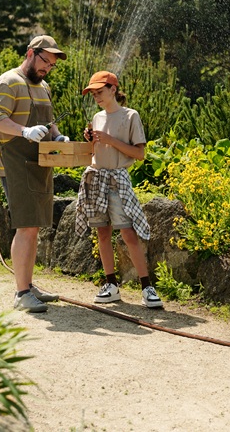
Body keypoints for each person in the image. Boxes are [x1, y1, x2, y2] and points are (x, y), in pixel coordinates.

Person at [0, 35, 70, 313]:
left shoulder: (43, 87)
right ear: (31, 53)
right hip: (15, 165)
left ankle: (29, 285)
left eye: (52, 65)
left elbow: (49, 122)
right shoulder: (8, 82)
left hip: (39, 163)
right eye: (46, 61)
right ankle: (21, 293)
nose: (48, 69)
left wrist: (58, 137)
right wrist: (23, 131)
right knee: (26, 226)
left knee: (34, 226)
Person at [74, 70, 162, 308]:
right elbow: (97, 152)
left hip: (117, 181)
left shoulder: (130, 116)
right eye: (93, 94)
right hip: (96, 178)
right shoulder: (97, 117)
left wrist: (109, 139)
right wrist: (91, 139)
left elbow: (140, 154)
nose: (97, 97)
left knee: (127, 233)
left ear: (113, 89)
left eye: (100, 92)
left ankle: (147, 287)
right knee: (102, 233)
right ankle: (110, 285)